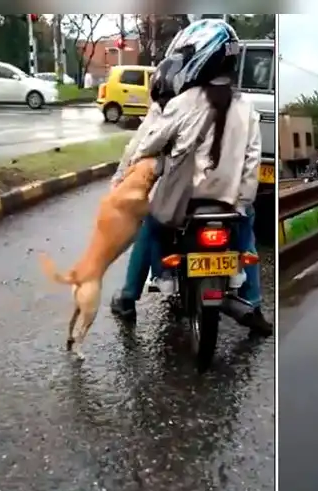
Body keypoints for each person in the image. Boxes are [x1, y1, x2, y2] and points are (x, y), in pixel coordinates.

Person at [108, 19, 273, 336]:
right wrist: (242, 202)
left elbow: (148, 143)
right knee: (246, 230)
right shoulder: (246, 106)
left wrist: (132, 167)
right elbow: (251, 162)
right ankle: (252, 301)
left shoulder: (184, 101)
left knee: (152, 223)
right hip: (228, 201)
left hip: (185, 201)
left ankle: (156, 282)